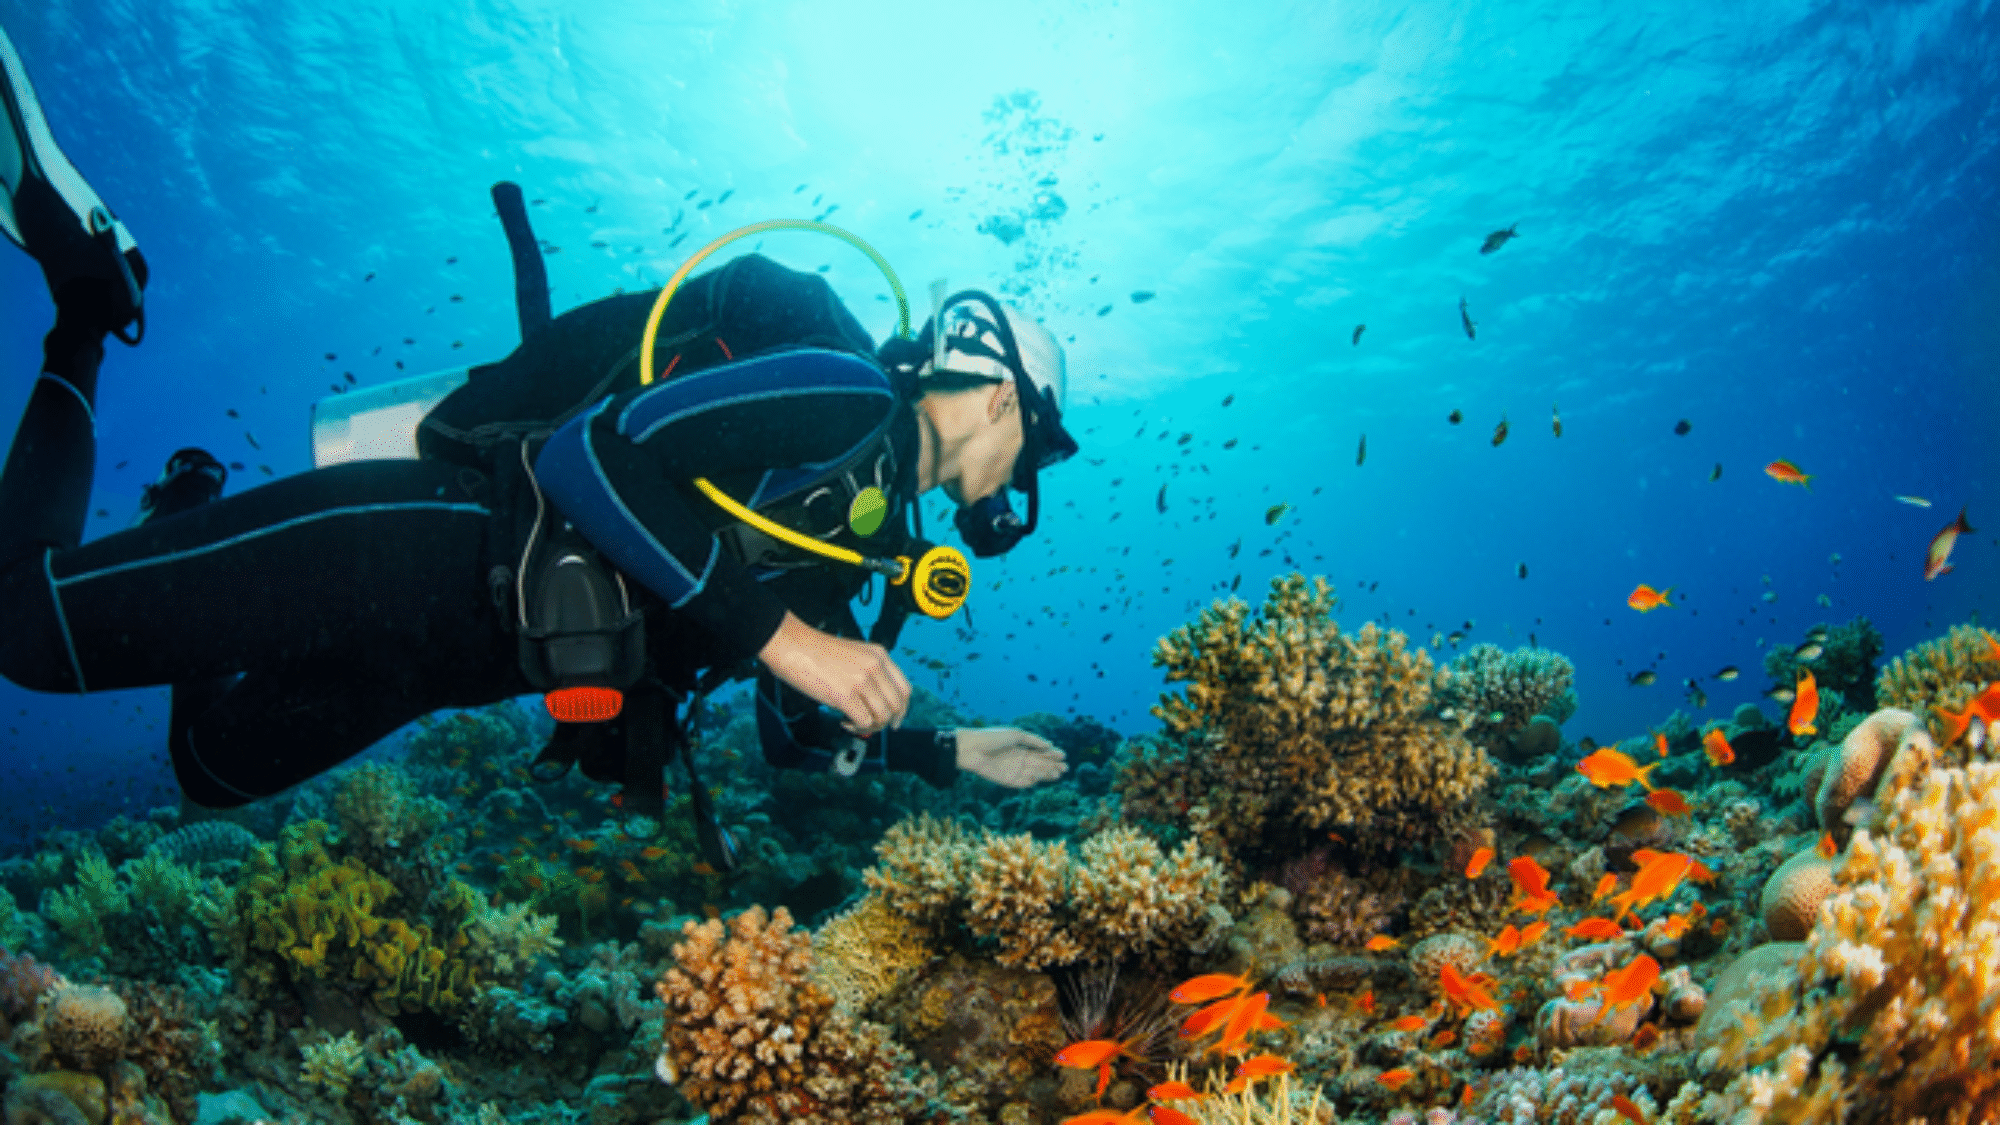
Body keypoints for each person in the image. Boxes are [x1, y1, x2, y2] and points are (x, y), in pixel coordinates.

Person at [0, 25, 1073, 851]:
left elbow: (793, 738)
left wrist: (945, 749)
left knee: (209, 771)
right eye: (1036, 444)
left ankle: (181, 505)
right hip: (429, 547)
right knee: (23, 630)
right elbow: (590, 455)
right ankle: (90, 306)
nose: (1021, 478)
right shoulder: (843, 398)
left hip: (446, 665)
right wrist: (793, 644)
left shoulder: (864, 545)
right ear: (997, 400)